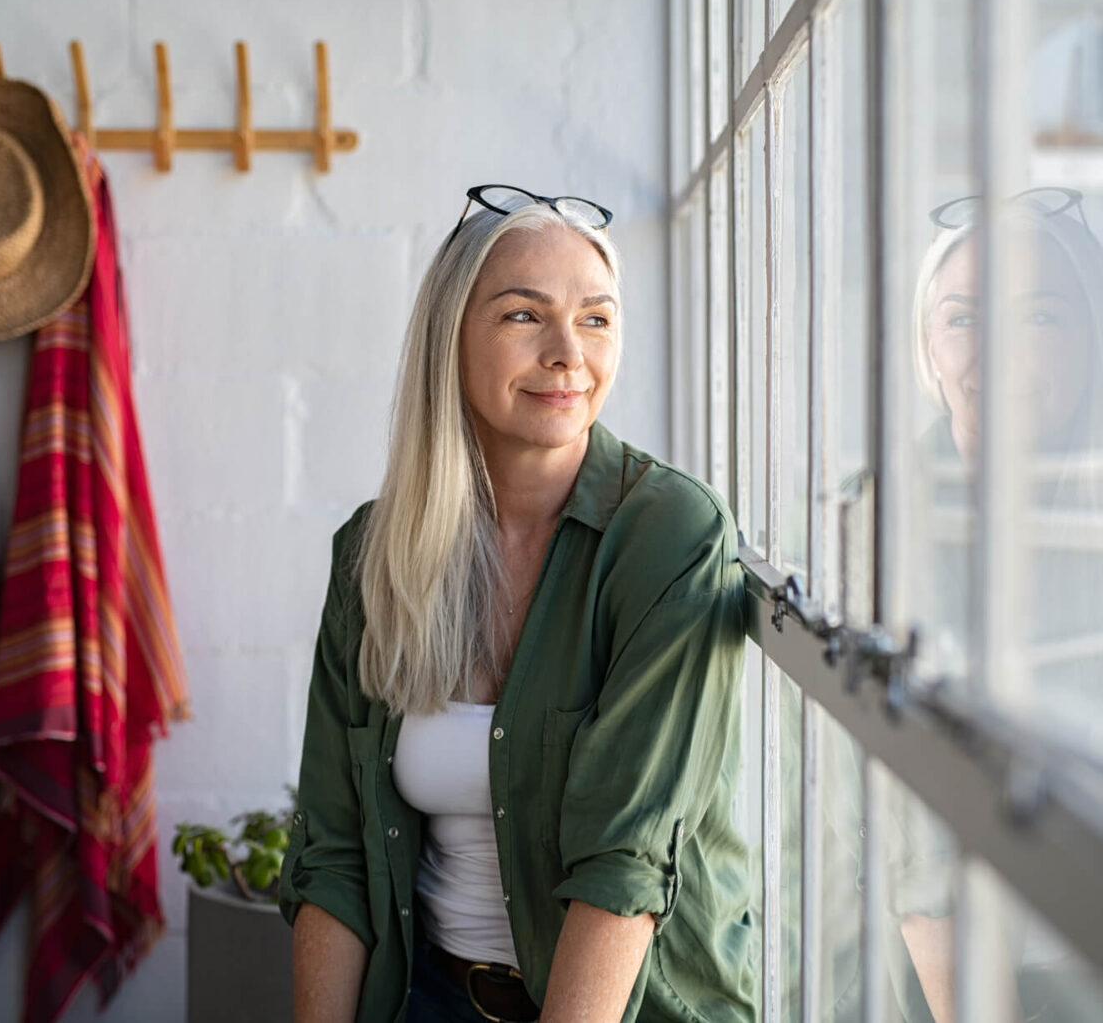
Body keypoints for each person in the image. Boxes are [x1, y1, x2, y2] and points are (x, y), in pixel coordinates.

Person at [278, 185, 758, 1023]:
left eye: (597, 318)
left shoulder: (671, 538)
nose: (569, 352)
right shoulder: (372, 552)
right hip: (424, 994)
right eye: (523, 316)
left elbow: (624, 867)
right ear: (451, 338)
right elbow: (336, 848)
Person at [894, 188, 1103, 1023]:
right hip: (923, 986)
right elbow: (912, 857)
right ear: (928, 347)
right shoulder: (873, 524)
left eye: (1038, 317)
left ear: (1094, 338)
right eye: (963, 318)